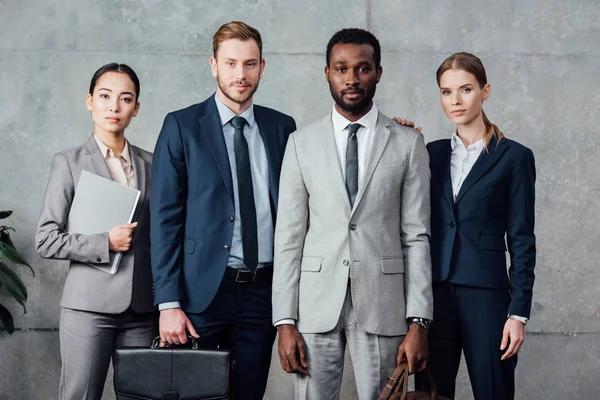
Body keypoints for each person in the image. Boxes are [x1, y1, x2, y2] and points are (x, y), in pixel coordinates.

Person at [272, 28, 433, 400]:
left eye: (362, 69)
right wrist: (284, 321)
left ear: (378, 73)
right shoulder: (300, 144)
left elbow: (417, 236)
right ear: (327, 72)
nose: (351, 78)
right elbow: (289, 237)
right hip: (314, 307)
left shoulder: (407, 143)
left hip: (383, 304)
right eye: (341, 68)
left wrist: (419, 321)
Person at [150, 21, 296, 399]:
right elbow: (164, 220)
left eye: (249, 64)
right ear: (213, 65)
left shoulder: (282, 128)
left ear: (262, 67)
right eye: (230, 63)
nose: (240, 75)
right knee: (193, 395)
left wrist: (391, 133)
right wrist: (168, 303)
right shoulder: (182, 125)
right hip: (201, 294)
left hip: (262, 292)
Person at [35, 63, 156, 400]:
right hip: (88, 310)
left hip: (143, 311)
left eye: (125, 98)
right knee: (79, 396)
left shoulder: (153, 162)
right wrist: (105, 242)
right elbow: (45, 238)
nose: (114, 106)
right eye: (105, 96)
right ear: (90, 101)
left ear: (136, 108)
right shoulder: (69, 162)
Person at [425, 52, 536, 400]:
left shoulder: (514, 157)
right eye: (446, 92)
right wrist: (398, 136)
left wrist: (518, 313)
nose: (455, 100)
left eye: (465, 89)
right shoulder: (430, 153)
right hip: (436, 296)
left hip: (487, 297)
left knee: (494, 391)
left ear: (485, 91)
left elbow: (521, 239)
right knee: (432, 394)